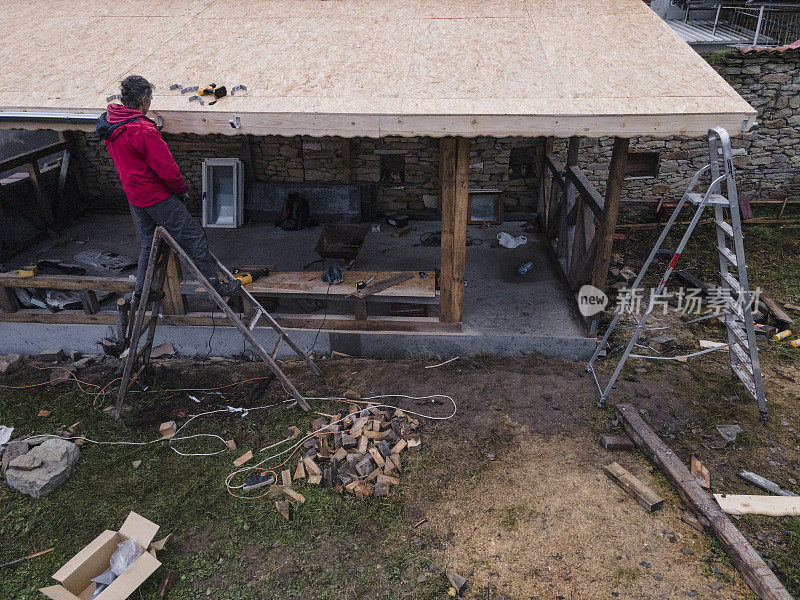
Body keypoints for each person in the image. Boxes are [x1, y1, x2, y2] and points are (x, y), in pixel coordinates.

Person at [96, 75, 240, 303]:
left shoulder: (111, 124)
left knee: (148, 243)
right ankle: (215, 286)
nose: (151, 103)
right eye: (150, 99)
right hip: (156, 196)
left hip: (135, 198)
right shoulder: (142, 130)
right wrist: (180, 189)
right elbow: (167, 168)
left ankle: (142, 289)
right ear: (143, 101)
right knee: (194, 237)